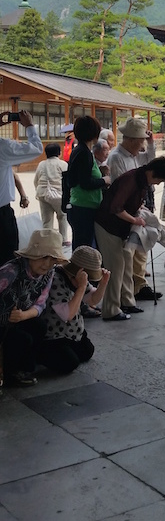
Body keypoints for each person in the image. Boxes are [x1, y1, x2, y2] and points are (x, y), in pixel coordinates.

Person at [94, 157, 165, 321]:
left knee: (125, 265)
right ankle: (111, 310)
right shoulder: (131, 179)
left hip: (121, 228)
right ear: (152, 172)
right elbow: (116, 208)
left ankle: (127, 302)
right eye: (159, 179)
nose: (158, 184)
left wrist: (140, 209)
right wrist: (135, 220)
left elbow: (131, 203)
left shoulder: (142, 179)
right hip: (108, 226)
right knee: (115, 268)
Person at [0, 229, 64, 388]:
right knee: (21, 338)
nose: (47, 264)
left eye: (52, 259)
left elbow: (40, 304)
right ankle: (7, 373)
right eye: (43, 257)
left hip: (18, 317)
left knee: (39, 326)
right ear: (31, 255)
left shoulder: (49, 273)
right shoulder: (11, 271)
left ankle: (18, 370)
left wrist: (22, 316)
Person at [107, 117, 160, 302]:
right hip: (123, 211)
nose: (143, 145)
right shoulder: (116, 158)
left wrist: (151, 144)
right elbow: (120, 188)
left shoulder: (134, 156)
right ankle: (128, 292)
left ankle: (140, 286)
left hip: (136, 207)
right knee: (128, 253)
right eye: (141, 141)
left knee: (141, 248)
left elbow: (151, 164)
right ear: (130, 140)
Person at [39, 246, 111, 373]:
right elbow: (67, 315)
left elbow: (93, 300)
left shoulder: (78, 278)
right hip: (54, 335)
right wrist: (81, 288)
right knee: (69, 363)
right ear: (80, 271)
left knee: (87, 351)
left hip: (73, 333)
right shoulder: (55, 280)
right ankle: (39, 354)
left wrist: (103, 283)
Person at [0, 110, 43, 266]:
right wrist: (29, 125)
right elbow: (36, 148)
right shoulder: (3, 147)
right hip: (1, 215)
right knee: (6, 261)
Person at [66, 115, 110, 250]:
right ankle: (79, 271)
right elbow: (85, 183)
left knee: (81, 246)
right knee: (83, 249)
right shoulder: (84, 153)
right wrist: (104, 180)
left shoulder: (79, 150)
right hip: (84, 207)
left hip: (80, 205)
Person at [34, 142, 70, 246]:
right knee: (62, 216)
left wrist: (38, 189)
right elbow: (67, 181)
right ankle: (63, 239)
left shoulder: (41, 164)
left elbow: (36, 180)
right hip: (58, 194)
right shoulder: (63, 164)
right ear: (59, 153)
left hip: (43, 194)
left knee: (46, 220)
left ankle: (47, 241)